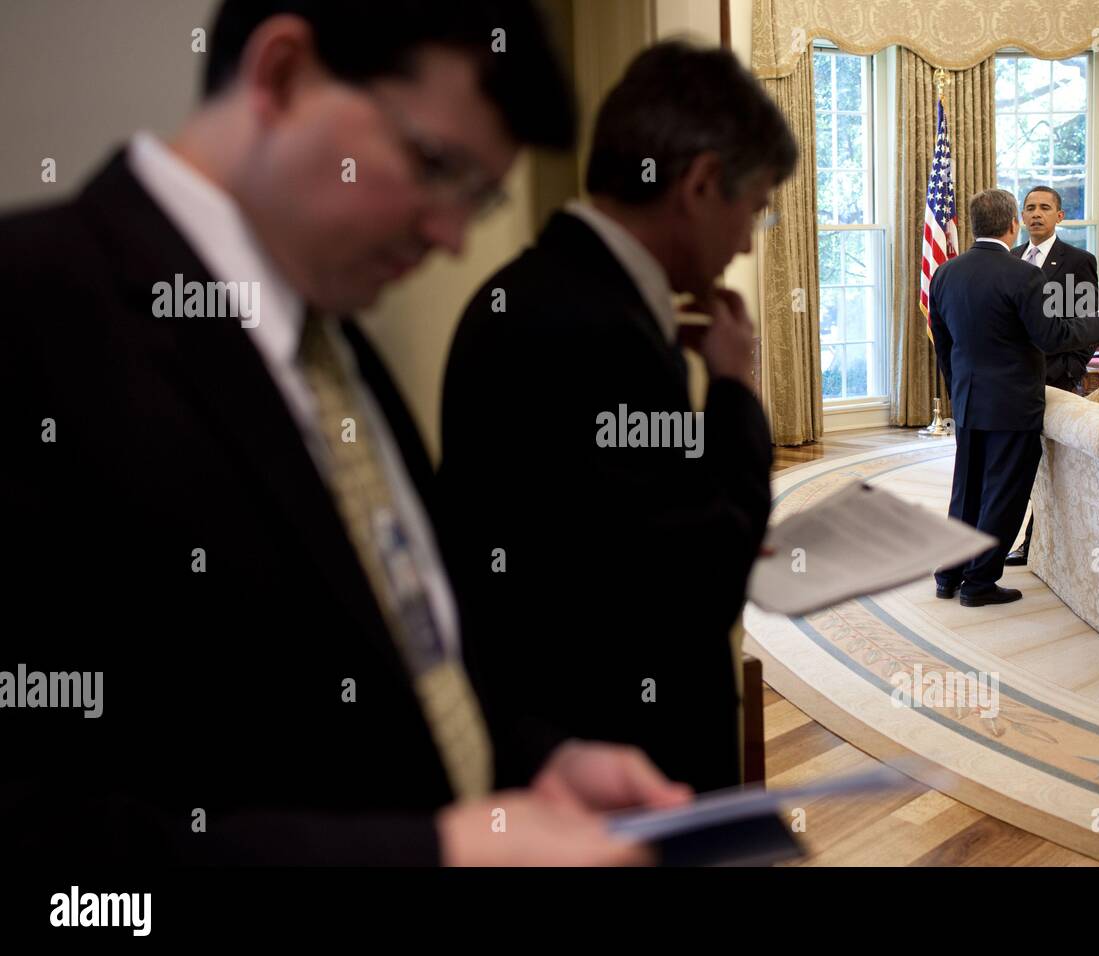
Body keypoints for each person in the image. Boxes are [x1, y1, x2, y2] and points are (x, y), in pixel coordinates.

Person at [1, 0, 689, 867]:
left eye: (477, 200)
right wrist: (431, 855)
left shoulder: (337, 344)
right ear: (283, 76)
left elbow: (403, 663)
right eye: (435, 165)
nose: (448, 236)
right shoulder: (31, 316)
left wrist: (535, 766)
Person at [438, 41, 796, 794]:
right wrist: (734, 386)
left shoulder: (522, 293)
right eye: (753, 209)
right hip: (625, 767)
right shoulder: (601, 332)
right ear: (701, 183)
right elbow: (701, 590)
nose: (742, 243)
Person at [929, 189, 1099, 607]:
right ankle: (979, 584)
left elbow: (943, 346)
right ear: (1012, 223)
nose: (1034, 216)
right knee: (1004, 492)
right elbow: (1051, 336)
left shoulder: (945, 273)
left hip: (968, 401)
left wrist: (958, 389)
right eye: (1028, 210)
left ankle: (948, 574)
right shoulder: (1023, 275)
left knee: (966, 489)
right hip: (1013, 405)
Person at [1005, 184, 1099, 566]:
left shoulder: (1077, 261)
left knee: (1051, 468)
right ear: (1020, 217)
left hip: (1055, 381)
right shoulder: (1011, 259)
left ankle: (1036, 545)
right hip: (1013, 382)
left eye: (1045, 207)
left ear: (1059, 216)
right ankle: (1032, 542)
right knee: (1020, 467)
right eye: (1029, 208)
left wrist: (1071, 369)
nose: (1036, 214)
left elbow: (1088, 323)